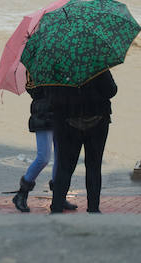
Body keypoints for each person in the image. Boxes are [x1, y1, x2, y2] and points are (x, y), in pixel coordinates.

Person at [49, 69, 118, 213]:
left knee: (64, 166)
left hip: (68, 122)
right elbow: (111, 90)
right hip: (97, 121)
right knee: (94, 166)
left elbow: (53, 96)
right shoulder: (97, 65)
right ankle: (93, 208)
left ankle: (56, 207)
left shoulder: (61, 67)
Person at [11, 79, 77, 212]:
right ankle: (22, 193)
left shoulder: (61, 69)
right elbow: (33, 91)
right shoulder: (38, 70)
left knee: (61, 157)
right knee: (43, 157)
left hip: (61, 115)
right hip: (43, 115)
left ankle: (59, 197)